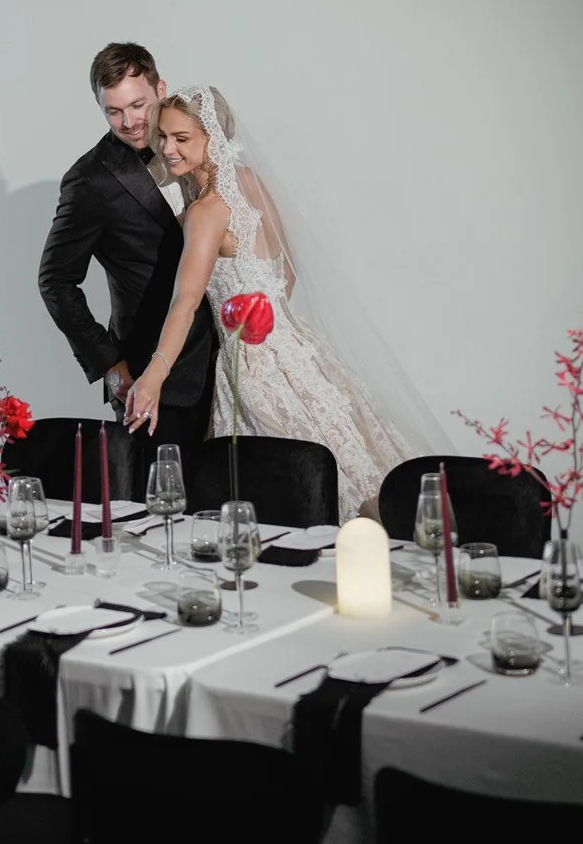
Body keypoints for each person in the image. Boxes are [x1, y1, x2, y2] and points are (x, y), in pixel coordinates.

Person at [125, 84, 441, 519]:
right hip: (300, 348)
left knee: (291, 491)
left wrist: (152, 377)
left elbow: (186, 300)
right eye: (163, 136)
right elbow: (286, 272)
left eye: (182, 138)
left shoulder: (207, 212)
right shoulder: (250, 183)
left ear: (211, 137)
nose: (167, 148)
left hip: (254, 368)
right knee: (353, 466)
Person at [37, 43, 219, 452]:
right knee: (160, 505)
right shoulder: (89, 181)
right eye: (113, 111)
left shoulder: (198, 147)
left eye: (138, 105)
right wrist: (110, 366)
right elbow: (55, 281)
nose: (130, 122)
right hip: (152, 379)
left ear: (161, 89)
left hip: (227, 363)